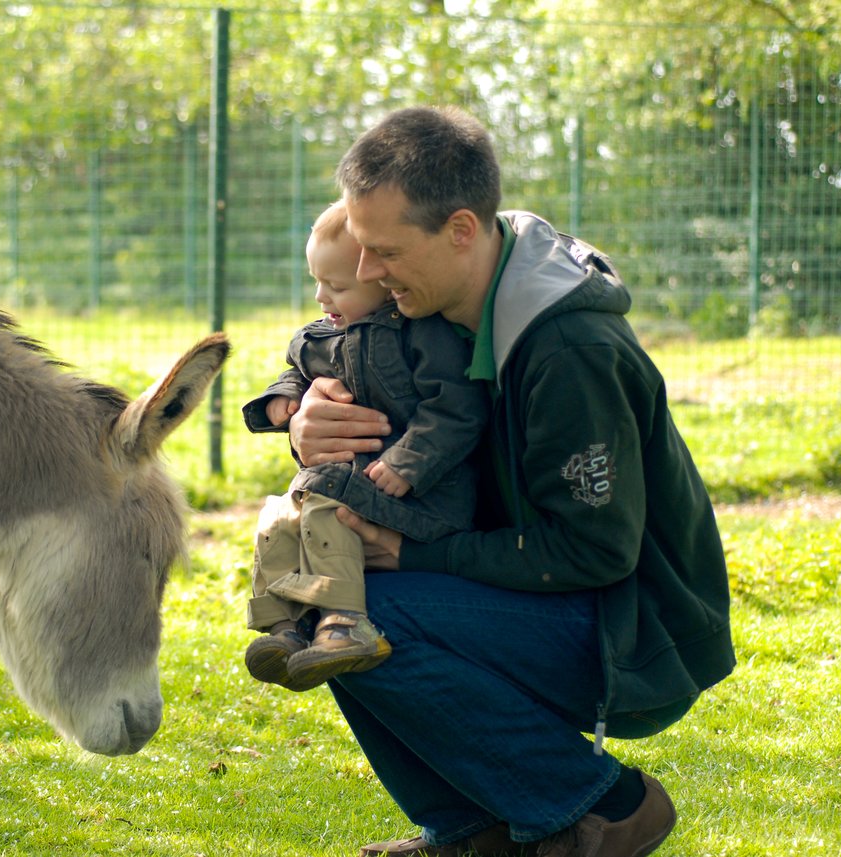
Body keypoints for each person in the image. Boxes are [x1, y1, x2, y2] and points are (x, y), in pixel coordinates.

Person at [283, 106, 735, 857]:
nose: (364, 273)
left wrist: (408, 553)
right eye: (360, 248)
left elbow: (593, 552)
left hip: (628, 624)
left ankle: (606, 806)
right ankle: (473, 829)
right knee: (321, 615)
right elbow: (333, 377)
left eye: (384, 251)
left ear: (462, 229)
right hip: (540, 591)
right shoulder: (430, 306)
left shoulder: (568, 349)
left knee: (364, 615)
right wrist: (301, 419)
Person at [242, 200, 488, 693]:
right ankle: (282, 628)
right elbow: (297, 371)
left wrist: (410, 460)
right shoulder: (322, 334)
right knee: (276, 521)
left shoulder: (420, 335)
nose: (319, 296)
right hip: (346, 478)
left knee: (325, 514)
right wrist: (283, 400)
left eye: (335, 286)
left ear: (383, 281)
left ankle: (345, 622)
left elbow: (458, 407)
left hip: (415, 493)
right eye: (316, 281)